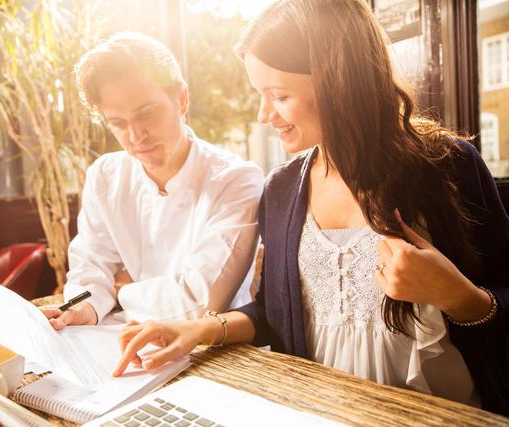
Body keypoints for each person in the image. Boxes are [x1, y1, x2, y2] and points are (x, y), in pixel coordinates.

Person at [113, 0, 509, 416]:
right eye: (260, 96)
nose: (264, 115)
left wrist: (461, 298)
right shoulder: (282, 189)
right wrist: (199, 329)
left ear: (341, 80)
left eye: (278, 95)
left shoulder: (448, 166)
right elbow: (274, 312)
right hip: (317, 413)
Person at [41, 32, 264, 329]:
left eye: (147, 113)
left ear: (182, 99)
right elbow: (91, 268)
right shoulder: (106, 176)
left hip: (215, 350)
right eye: (118, 123)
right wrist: (84, 307)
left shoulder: (236, 180)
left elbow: (201, 302)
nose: (135, 136)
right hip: (121, 337)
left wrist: (118, 292)